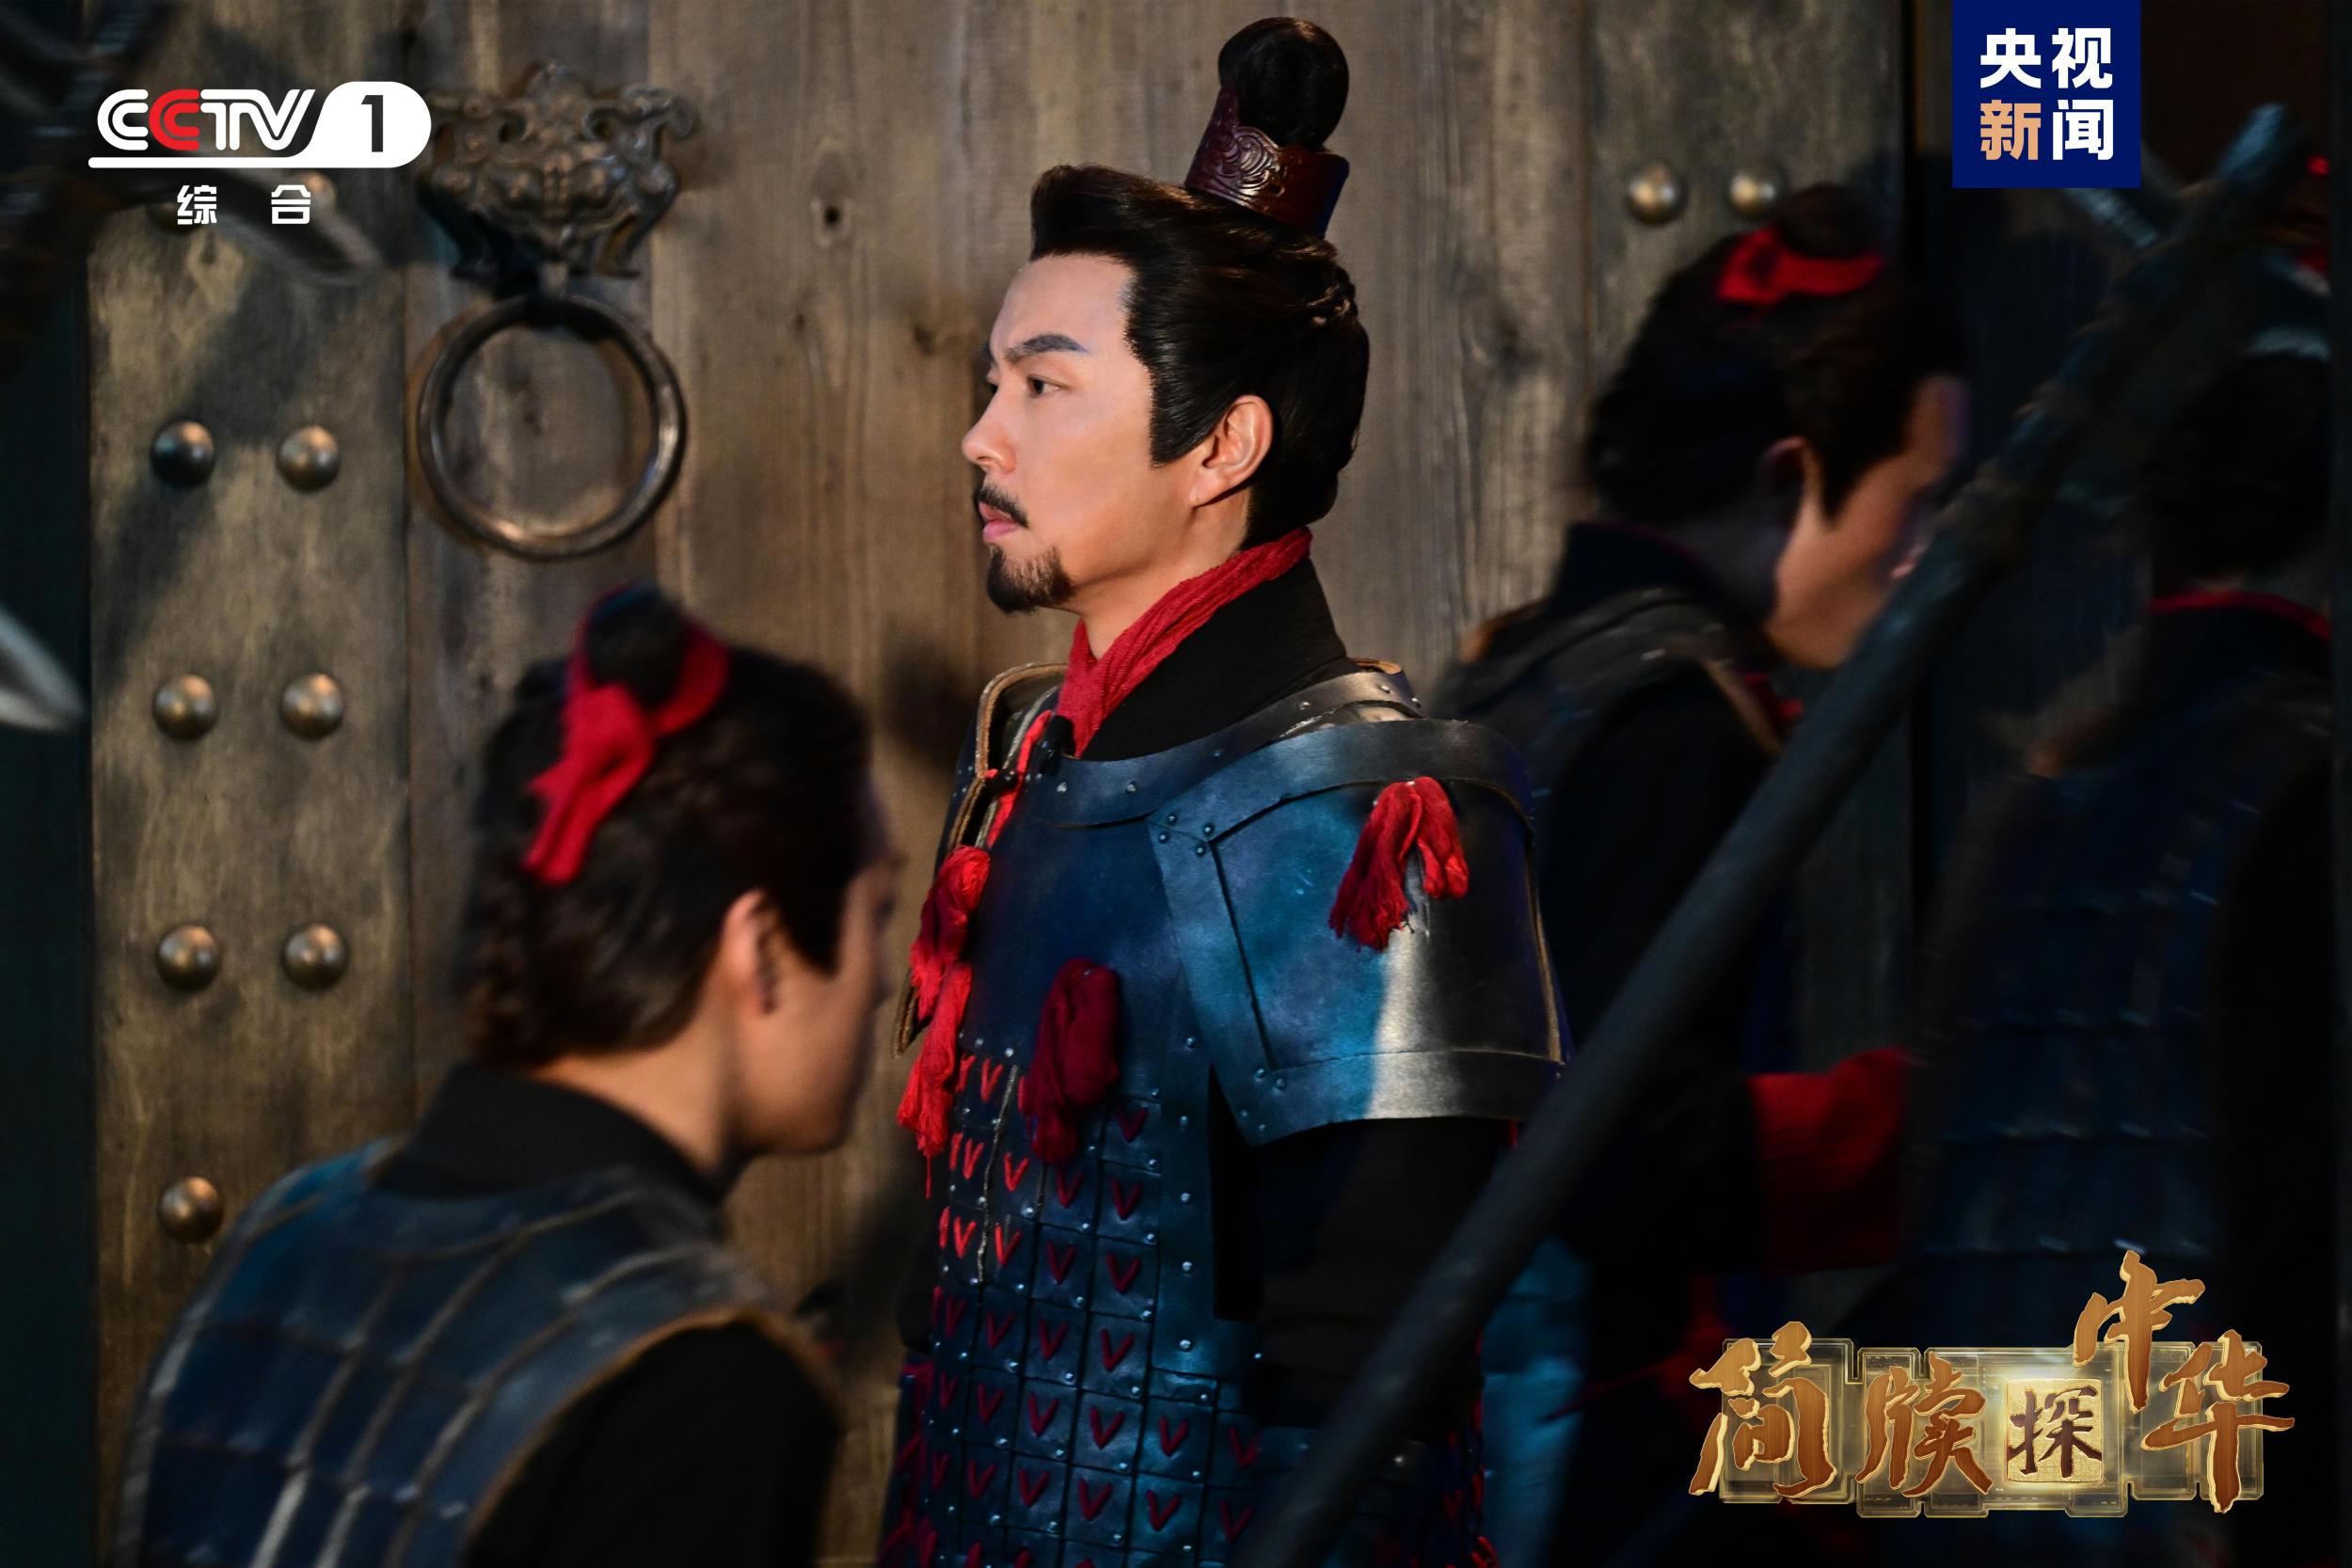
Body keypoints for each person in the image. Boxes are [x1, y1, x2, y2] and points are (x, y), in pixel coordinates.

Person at [877, 19, 1558, 1568]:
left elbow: (1368, 1391)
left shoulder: (1376, 809)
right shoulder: (1033, 755)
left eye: (1043, 386)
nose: (982, 435)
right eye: (993, 381)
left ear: (1223, 443)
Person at [113, 584, 899, 1568]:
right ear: (759, 947)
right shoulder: (696, 1375)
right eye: (878, 913)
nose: (884, 978)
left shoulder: (280, 1235)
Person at [1432, 184, 1969, 1566]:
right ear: (1790, 477)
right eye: (1912, 504)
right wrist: (1928, 1124)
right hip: (1599, 1436)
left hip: (1519, 1407)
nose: (1919, 555)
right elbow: (1627, 1150)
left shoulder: (1529, 661)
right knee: (2147, 1430)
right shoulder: (1668, 717)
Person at [1901, 347, 2334, 1567]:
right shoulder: (2308, 788)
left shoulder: (2022, 802)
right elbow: (2298, 1227)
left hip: (1977, 1479)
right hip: (2211, 1493)